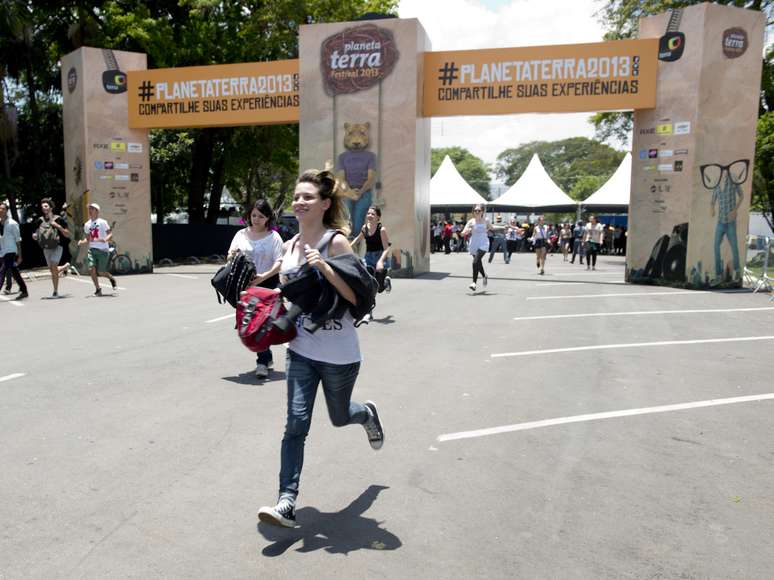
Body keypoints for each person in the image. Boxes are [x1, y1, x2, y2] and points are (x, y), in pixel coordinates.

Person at [257, 169, 384, 529]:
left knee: (339, 416)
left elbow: (357, 298)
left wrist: (325, 268)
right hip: (301, 350)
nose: (300, 202)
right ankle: (286, 502)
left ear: (325, 204)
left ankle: (366, 414)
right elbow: (288, 295)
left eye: (308, 197)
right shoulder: (290, 245)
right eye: (297, 196)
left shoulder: (337, 243)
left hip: (340, 355)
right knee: (295, 425)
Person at [228, 199, 284, 379]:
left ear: (268, 218)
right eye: (253, 215)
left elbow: (279, 262)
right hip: (246, 286)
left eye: (261, 216)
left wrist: (263, 276)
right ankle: (265, 358)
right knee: (253, 324)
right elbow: (230, 256)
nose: (256, 219)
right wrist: (231, 255)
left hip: (266, 285)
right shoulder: (241, 234)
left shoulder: (274, 237)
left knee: (261, 323)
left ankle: (262, 361)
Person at [32, 198, 72, 298]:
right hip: (46, 247)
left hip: (58, 246)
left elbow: (67, 234)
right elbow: (35, 232)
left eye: (46, 206)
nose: (44, 208)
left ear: (51, 207)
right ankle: (64, 267)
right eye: (42, 207)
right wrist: (34, 236)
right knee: (52, 270)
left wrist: (57, 226)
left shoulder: (59, 219)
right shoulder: (40, 220)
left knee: (53, 267)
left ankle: (55, 291)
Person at [77, 203, 117, 296]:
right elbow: (88, 239)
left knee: (101, 272)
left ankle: (111, 278)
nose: (90, 210)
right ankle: (98, 289)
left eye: (92, 209)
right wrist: (81, 242)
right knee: (91, 269)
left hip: (103, 250)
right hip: (92, 249)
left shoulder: (103, 222)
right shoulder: (87, 224)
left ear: (97, 211)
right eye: (89, 209)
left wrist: (105, 239)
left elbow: (110, 234)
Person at [350, 206, 392, 294]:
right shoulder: (365, 228)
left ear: (378, 217)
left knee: (380, 289)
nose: (369, 215)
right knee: (366, 279)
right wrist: (348, 246)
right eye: (368, 213)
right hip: (368, 257)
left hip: (380, 257)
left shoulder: (381, 230)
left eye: (373, 214)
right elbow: (358, 239)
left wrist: (380, 261)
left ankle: (386, 282)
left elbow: (386, 249)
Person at [0, 201, 28, 300]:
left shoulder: (13, 223)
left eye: (3, 209)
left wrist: (20, 255)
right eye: (0, 208)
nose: (1, 210)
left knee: (2, 271)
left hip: (11, 250)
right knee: (14, 271)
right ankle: (24, 290)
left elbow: (18, 239)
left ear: (7, 211)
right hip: (3, 251)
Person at [461, 204, 491, 291]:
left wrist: (504, 227)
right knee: (478, 263)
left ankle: (474, 283)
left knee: (475, 262)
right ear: (473, 212)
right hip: (474, 243)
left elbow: (491, 227)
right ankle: (484, 275)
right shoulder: (471, 221)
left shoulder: (486, 220)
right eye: (475, 211)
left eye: (479, 210)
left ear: (482, 211)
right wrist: (466, 231)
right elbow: (463, 233)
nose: (477, 212)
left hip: (484, 243)